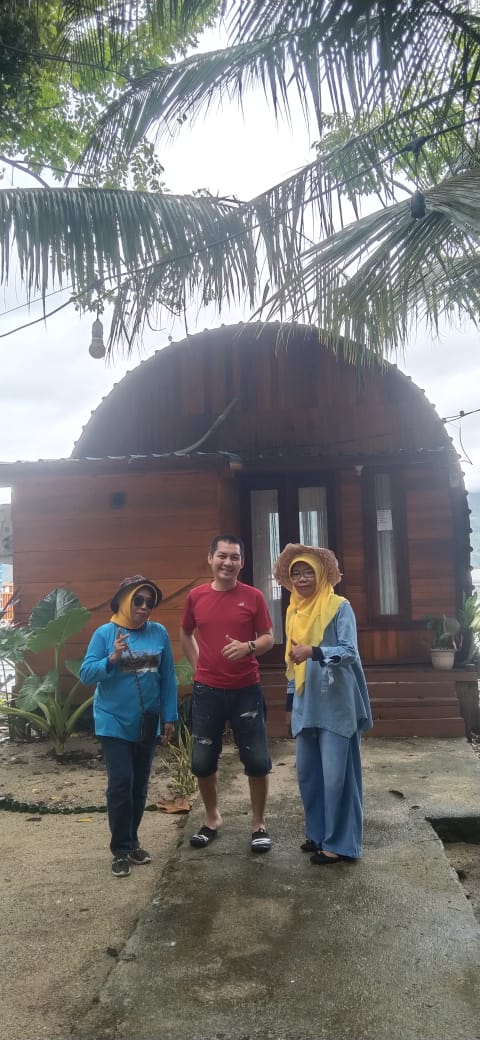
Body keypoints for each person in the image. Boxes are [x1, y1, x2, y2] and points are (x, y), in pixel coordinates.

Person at [273, 544, 372, 865]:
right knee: (308, 775)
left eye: (308, 572)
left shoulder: (339, 606)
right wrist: (290, 704)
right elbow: (292, 662)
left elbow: (349, 651)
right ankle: (317, 834)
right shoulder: (294, 611)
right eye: (296, 574)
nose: (302, 579)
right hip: (306, 702)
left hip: (336, 702)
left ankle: (340, 844)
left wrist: (315, 651)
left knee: (336, 776)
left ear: (321, 575)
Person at [180, 535, 274, 853]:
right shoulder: (196, 597)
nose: (228, 562)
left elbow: (268, 637)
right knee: (203, 761)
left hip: (246, 689)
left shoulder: (254, 596)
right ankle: (212, 818)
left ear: (241, 563)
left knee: (257, 760)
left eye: (234, 557)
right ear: (210, 558)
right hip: (207, 692)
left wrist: (248, 646)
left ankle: (258, 824)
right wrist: (199, 668)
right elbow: (185, 632)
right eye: (222, 556)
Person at [80, 575, 178, 878]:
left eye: (150, 602)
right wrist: (112, 658)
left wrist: (170, 717)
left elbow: (167, 677)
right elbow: (86, 673)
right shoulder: (105, 633)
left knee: (139, 786)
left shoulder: (158, 632)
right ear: (124, 600)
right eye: (138, 600)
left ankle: (132, 841)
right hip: (113, 721)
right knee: (121, 783)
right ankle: (120, 849)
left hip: (147, 722)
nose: (144, 607)